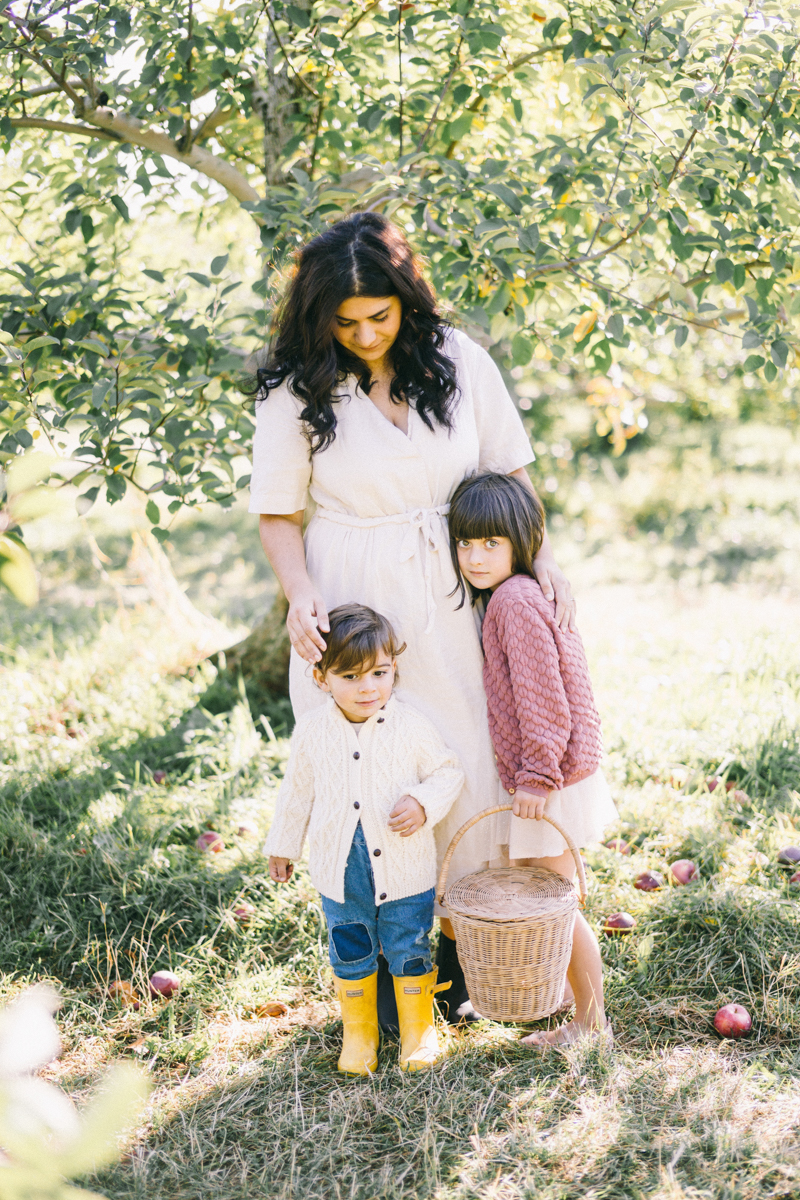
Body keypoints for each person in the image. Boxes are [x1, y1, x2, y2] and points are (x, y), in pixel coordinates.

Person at [249, 211, 576, 1026]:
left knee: (467, 754)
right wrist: (299, 595)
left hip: (464, 582)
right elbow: (278, 513)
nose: (364, 334)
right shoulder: (295, 389)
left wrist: (539, 566)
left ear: (406, 298)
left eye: (379, 315)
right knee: (377, 773)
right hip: (356, 595)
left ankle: (477, 945)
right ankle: (397, 966)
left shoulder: (460, 362)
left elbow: (511, 472)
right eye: (345, 321)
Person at [448, 472, 618, 1047]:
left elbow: (547, 702)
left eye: (490, 543)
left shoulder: (515, 603)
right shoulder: (513, 595)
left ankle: (592, 1026)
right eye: (465, 543)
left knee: (558, 908)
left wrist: (537, 776)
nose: (474, 556)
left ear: (522, 542)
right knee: (556, 900)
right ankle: (569, 999)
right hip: (562, 771)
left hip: (556, 775)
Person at [265, 603, 464, 1073]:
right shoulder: (313, 732)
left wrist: (422, 802)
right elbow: (297, 793)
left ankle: (418, 1031)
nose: (368, 687)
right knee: (350, 944)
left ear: (394, 669)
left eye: (379, 672)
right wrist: (283, 843)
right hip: (340, 871)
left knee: (408, 944)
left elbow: (447, 771)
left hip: (405, 869)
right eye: (350, 677)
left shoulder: (410, 726)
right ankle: (360, 1032)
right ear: (321, 678)